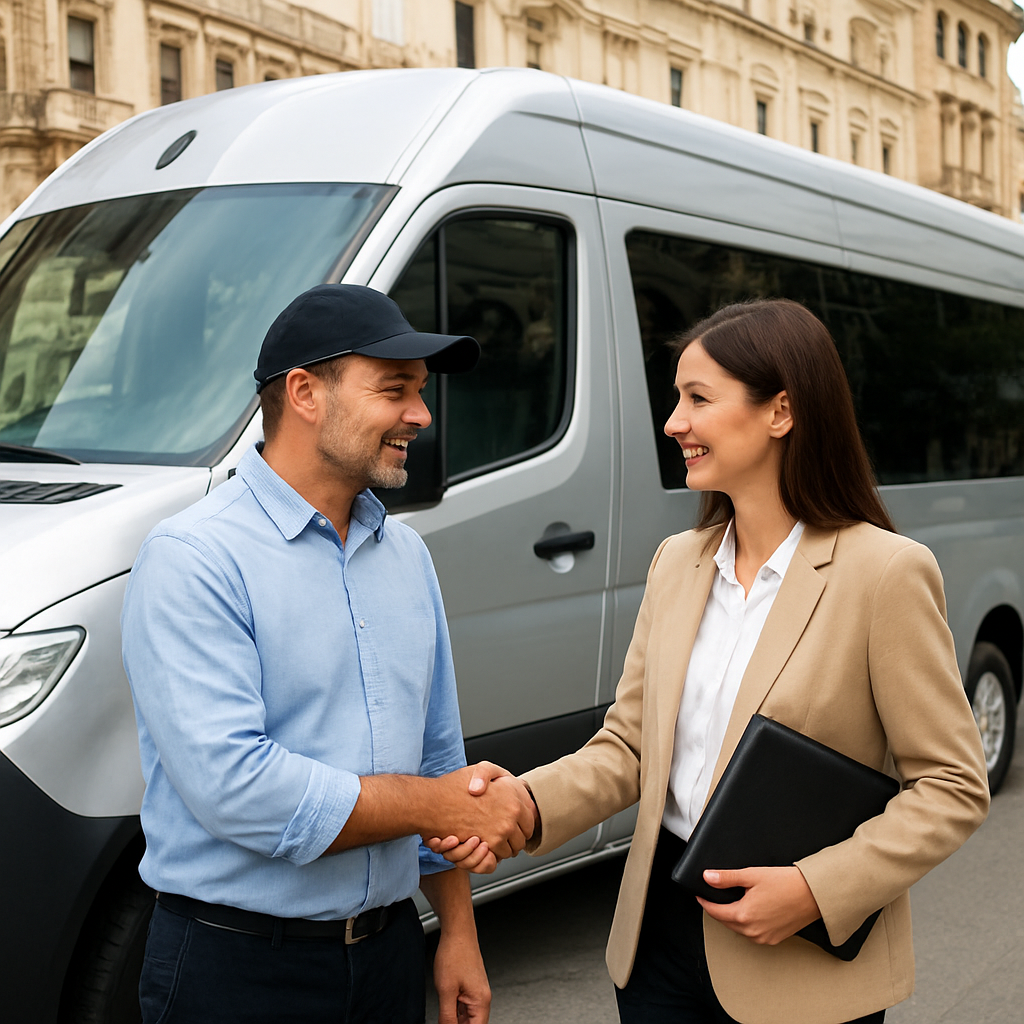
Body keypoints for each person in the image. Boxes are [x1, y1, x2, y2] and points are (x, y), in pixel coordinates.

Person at [429, 299, 990, 1024]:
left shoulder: (885, 573)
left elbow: (951, 785)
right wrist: (525, 805)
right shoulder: (678, 563)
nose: (674, 423)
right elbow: (630, 746)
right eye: (676, 400)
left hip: (800, 966)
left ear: (780, 411)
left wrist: (816, 888)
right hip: (659, 940)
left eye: (697, 398)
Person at [121, 284, 536, 1024]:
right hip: (236, 971)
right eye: (394, 390)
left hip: (389, 957)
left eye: (420, 392)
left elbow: (439, 754)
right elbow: (237, 787)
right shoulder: (193, 557)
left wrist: (459, 935)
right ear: (305, 393)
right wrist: (438, 803)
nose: (421, 415)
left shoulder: (406, 554)